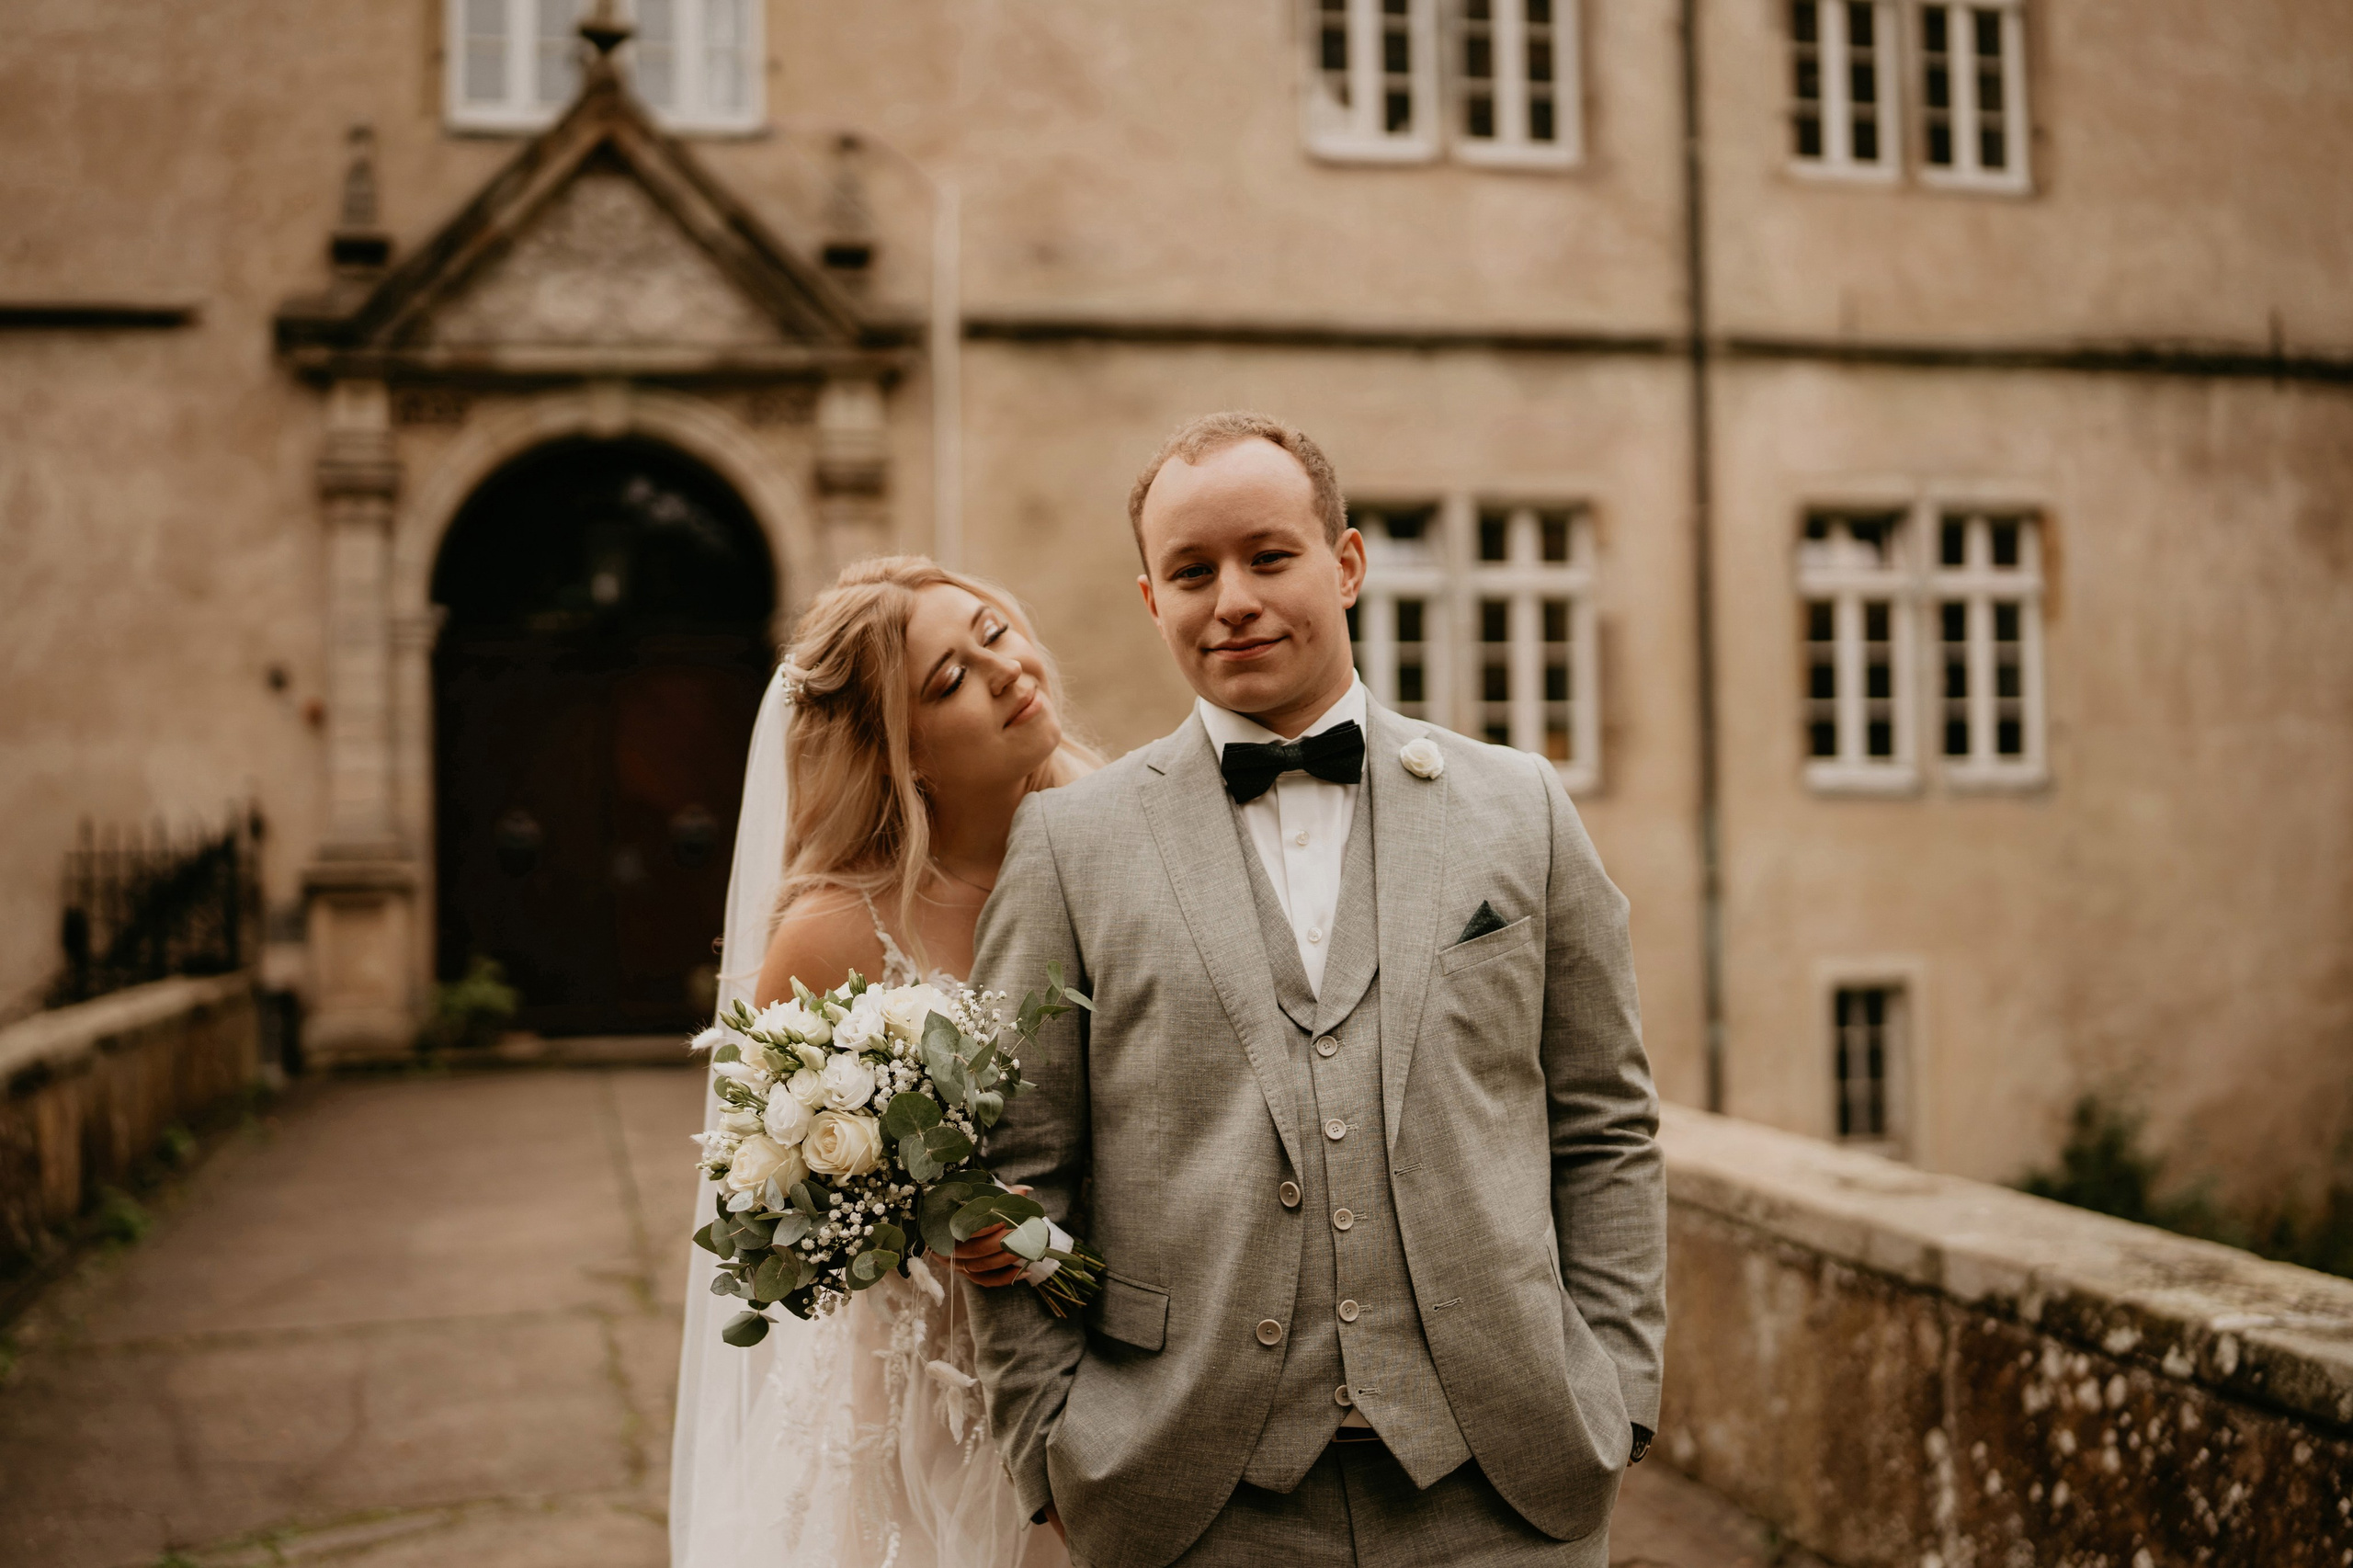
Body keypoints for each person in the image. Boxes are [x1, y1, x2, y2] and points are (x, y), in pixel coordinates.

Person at [965, 412, 1666, 1568]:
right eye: (1192, 571)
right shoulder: (1067, 845)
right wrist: (1049, 1443)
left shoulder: (1520, 806)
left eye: (1268, 556)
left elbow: (1606, 1122)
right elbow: (1017, 1168)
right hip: (1183, 1489)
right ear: (1153, 600)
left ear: (1343, 565)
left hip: (1509, 1483)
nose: (1230, 597)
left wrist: (1619, 1389)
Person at [671, 555, 1097, 1568]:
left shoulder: (1119, 835)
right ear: (900, 754)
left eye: (993, 630)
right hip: (933, 1396)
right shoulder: (832, 931)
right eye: (948, 679)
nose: (1003, 669)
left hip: (1130, 1352)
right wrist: (922, 1222)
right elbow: (764, 1191)